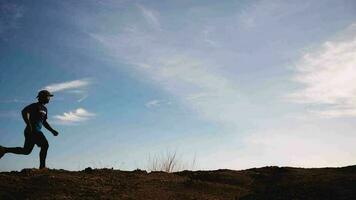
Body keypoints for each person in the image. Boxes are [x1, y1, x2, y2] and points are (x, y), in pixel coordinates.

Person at [0, 90, 59, 169]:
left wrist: (52, 130)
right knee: (45, 145)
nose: (49, 98)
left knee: (26, 151)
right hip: (32, 131)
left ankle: (4, 149)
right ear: (43, 97)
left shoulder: (45, 109)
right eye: (48, 96)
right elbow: (24, 111)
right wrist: (28, 124)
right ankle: (42, 167)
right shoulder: (35, 105)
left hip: (34, 131)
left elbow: (44, 122)